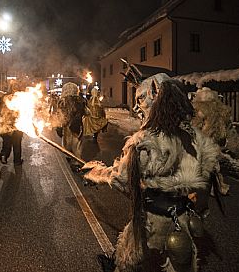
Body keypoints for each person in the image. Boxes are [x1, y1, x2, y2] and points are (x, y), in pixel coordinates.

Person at [81, 76, 218, 272]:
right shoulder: (198, 139)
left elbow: (123, 181)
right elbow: (204, 188)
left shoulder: (145, 142)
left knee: (128, 263)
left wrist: (96, 171)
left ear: (156, 99)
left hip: (151, 223)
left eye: (140, 100)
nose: (137, 109)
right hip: (183, 222)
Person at [191, 87, 239, 196]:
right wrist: (235, 148)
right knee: (209, 166)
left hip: (204, 145)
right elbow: (231, 131)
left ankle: (211, 186)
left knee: (207, 166)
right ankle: (214, 186)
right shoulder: (220, 113)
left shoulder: (197, 112)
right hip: (208, 145)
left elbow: (191, 128)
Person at [54, 82, 86, 160]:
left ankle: (68, 158)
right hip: (77, 126)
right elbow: (87, 112)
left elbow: (59, 115)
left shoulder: (62, 101)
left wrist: (58, 126)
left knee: (67, 145)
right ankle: (77, 163)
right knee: (77, 146)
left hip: (66, 127)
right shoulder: (80, 101)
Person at [0, 92, 24, 166]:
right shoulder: (20, 98)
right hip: (17, 125)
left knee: (6, 142)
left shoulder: (3, 98)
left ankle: (4, 155)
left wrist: (3, 115)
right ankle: (17, 161)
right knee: (17, 143)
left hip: (5, 125)